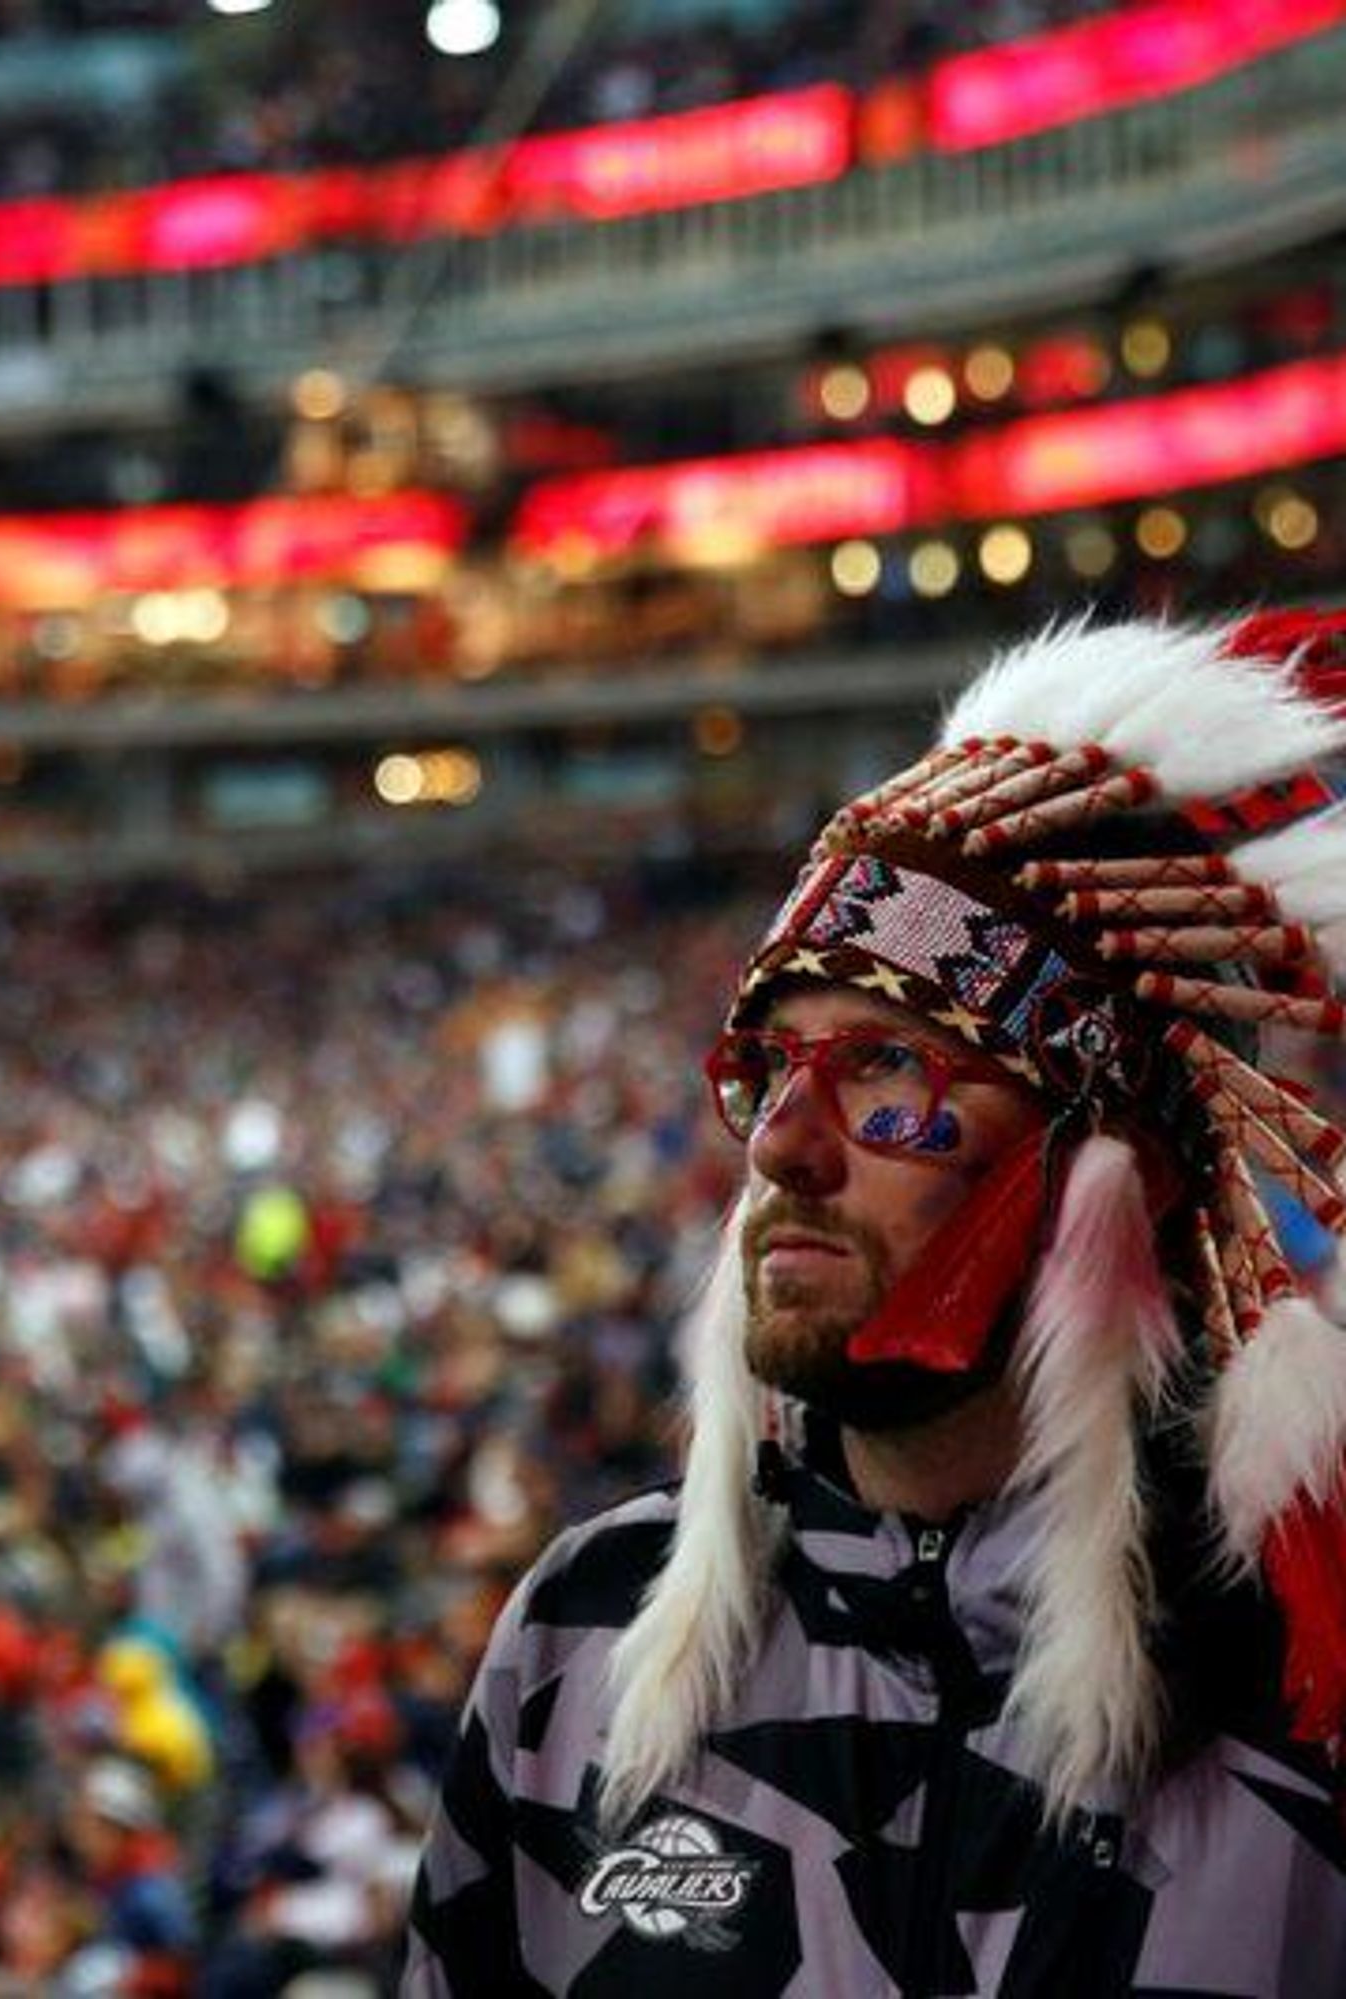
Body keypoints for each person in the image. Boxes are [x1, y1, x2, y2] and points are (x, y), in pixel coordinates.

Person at [404, 612, 1346, 1996]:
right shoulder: (583, 1637)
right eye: (769, 1070)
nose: (781, 1146)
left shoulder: (1306, 1681)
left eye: (889, 1072)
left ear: (1118, 1167)